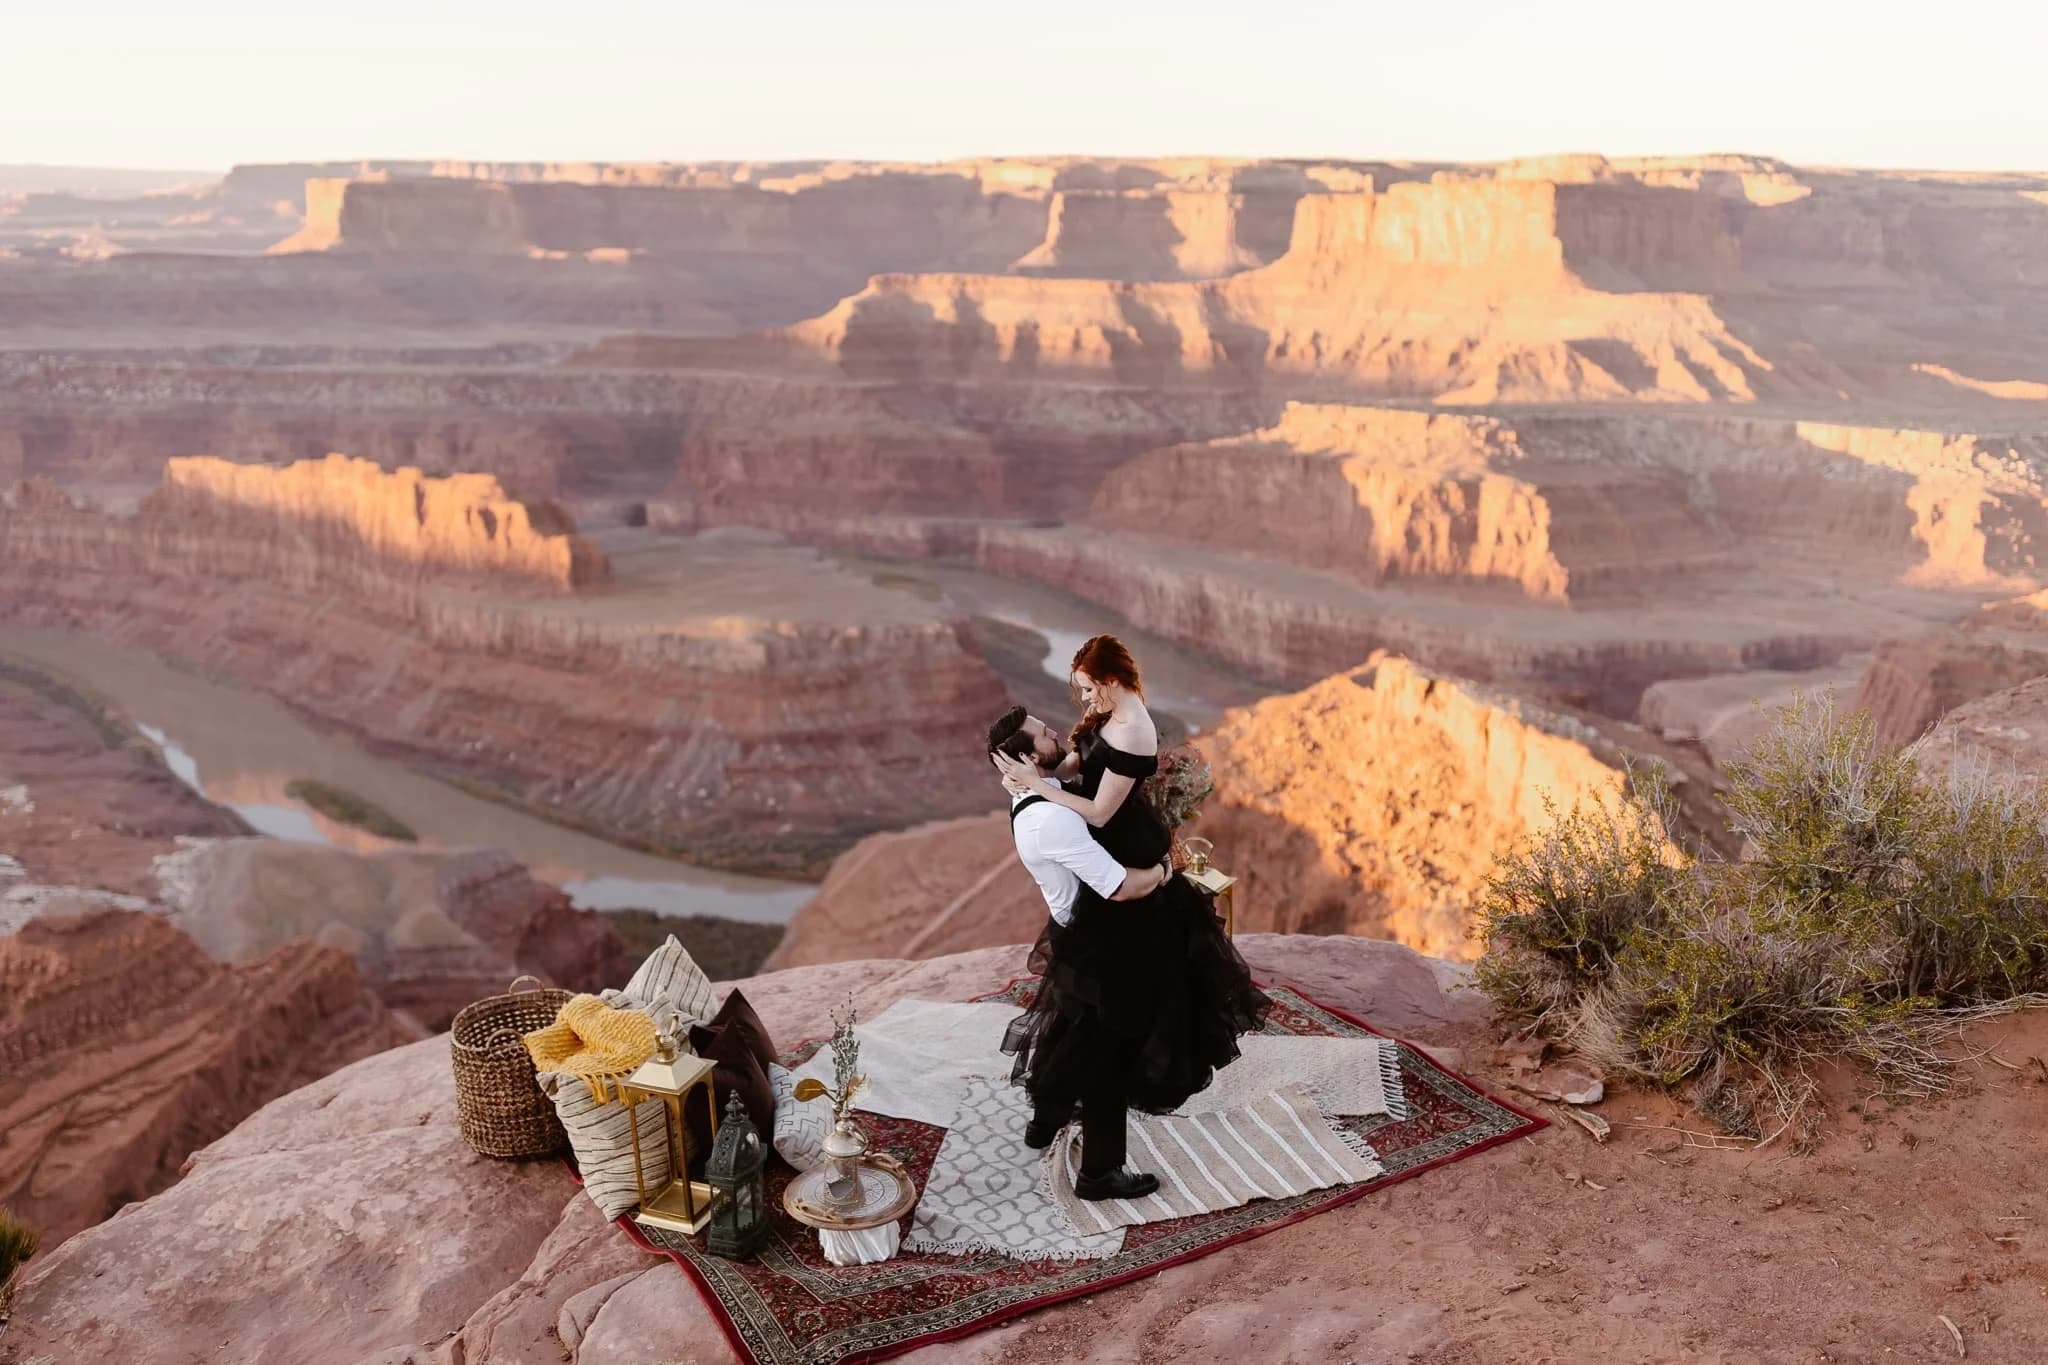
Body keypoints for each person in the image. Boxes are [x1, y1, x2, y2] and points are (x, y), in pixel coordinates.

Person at [992, 634, 1269, 1122]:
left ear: (1112, 680)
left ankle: (1114, 1083)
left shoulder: (1135, 730)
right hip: (1106, 852)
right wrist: (1030, 779)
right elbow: (1075, 764)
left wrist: (1038, 785)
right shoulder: (1107, 713)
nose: (1083, 698)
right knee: (1104, 991)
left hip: (1122, 845)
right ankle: (1081, 1087)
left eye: (1087, 688)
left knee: (1137, 986)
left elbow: (1100, 813)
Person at [988, 706, 1170, 1201]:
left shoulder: (1034, 793)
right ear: (1028, 757)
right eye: (1043, 733)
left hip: (1075, 935)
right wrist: (1164, 871)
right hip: (1099, 947)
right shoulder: (1050, 819)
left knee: (1070, 1031)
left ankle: (1044, 1121)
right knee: (1109, 1057)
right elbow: (1119, 887)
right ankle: (1099, 1173)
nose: (1054, 730)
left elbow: (1068, 766)